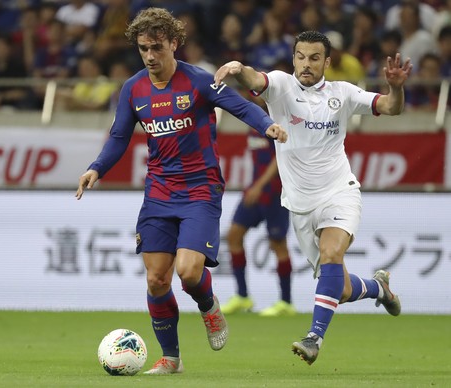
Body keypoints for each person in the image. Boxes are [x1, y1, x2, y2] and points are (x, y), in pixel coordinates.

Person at [76, 7, 287, 375]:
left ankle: (208, 306)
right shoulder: (133, 89)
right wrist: (96, 168)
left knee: (189, 272)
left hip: (200, 189)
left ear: (174, 43)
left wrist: (267, 125)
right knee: (157, 279)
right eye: (143, 49)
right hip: (158, 191)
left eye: (157, 47)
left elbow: (240, 106)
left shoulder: (199, 81)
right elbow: (119, 138)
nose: (150, 56)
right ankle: (171, 359)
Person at [214, 30, 411, 365]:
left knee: (332, 253)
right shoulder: (281, 86)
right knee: (341, 288)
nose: (306, 64)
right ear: (293, 58)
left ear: (327, 61)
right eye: (301, 56)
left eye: (315, 57)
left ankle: (314, 337)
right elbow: (256, 79)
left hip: (339, 192)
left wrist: (396, 87)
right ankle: (379, 288)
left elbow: (391, 107)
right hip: (299, 205)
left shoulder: (343, 94)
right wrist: (237, 66)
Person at [221, 130, 296, 317]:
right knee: (234, 236)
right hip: (255, 190)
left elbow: (281, 157)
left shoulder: (276, 120)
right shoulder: (252, 121)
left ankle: (286, 302)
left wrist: (259, 185)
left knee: (278, 244)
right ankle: (242, 296)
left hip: (275, 192)